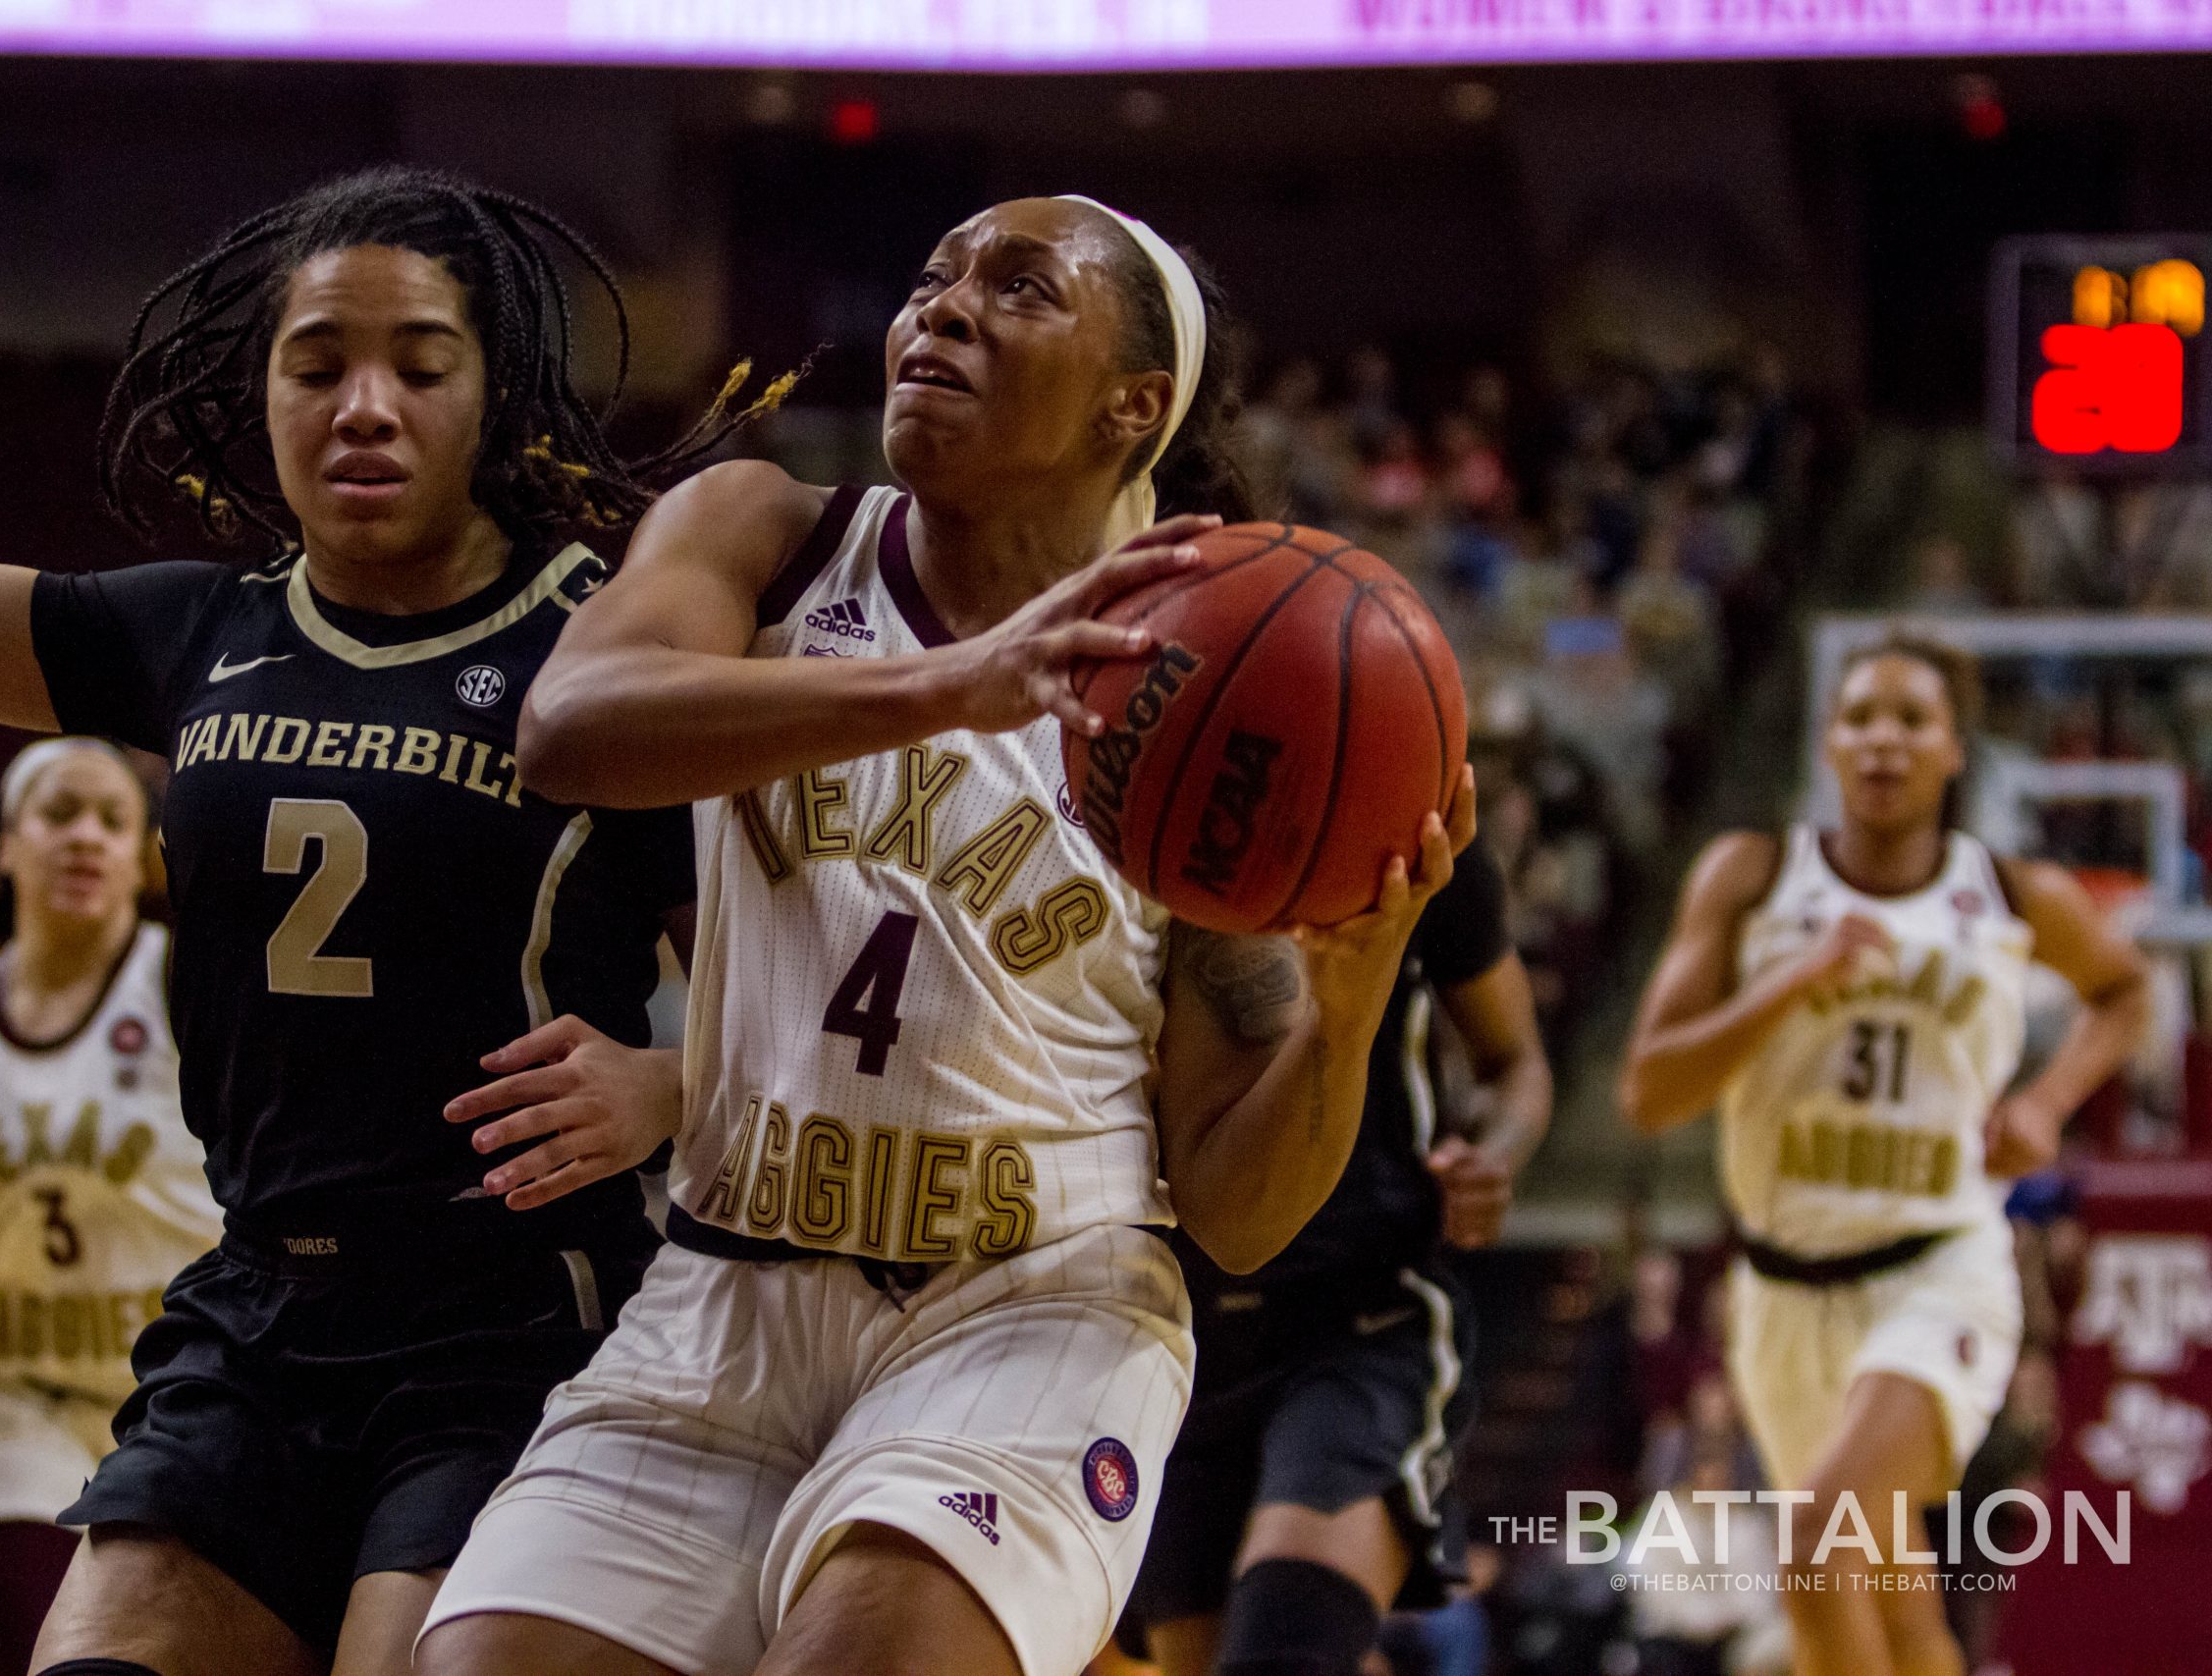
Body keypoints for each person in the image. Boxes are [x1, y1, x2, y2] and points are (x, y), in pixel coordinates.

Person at [0, 7, 770, 1665]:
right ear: (254, 391)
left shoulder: (608, 650)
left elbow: (818, 978)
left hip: (512, 1336)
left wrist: (674, 1082)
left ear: (494, 396)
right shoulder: (198, 630)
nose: (363, 404)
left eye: (420, 365)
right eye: (316, 363)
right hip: (259, 1316)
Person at [417, 194, 1474, 1676]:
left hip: (1029, 1310)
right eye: (931, 279)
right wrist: (952, 685)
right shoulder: (769, 533)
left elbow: (1238, 1211)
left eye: (1019, 287)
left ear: (1136, 403)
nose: (943, 309)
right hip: (724, 1289)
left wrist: (1344, 1015)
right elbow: (568, 730)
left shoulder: (1220, 673)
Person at [1620, 634, 2148, 1676]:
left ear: (1955, 749)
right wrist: (1787, 983)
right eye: (1861, 716)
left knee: (1817, 1547)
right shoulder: (1753, 873)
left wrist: (2046, 1101)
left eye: (1911, 719)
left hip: (1934, 1271)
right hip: (1780, 1295)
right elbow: (1647, 1092)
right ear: (1829, 739)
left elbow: (2123, 992)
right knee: (1898, 1621)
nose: (1882, 740)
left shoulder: (2009, 894)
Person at [1116, 838, 1552, 1676]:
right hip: (1171, 1334)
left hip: (1359, 1313)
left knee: (1285, 1654)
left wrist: (1495, 1151)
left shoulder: (1413, 828)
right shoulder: (1117, 818)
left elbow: (1515, 1060)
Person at [0, 740, 225, 1676]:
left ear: (144, 852)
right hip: (25, 1404)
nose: (85, 838)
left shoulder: (195, 987)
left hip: (184, 1394)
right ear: (7, 846)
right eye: (59, 813)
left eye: (112, 819)